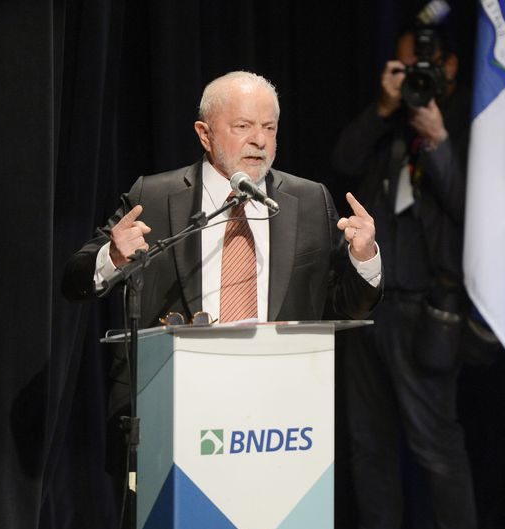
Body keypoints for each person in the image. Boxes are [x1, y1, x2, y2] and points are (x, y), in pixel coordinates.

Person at [62, 70, 384, 498]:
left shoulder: (309, 200)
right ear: (205, 134)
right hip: (175, 416)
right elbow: (75, 278)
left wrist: (364, 257)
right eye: (243, 126)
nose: (260, 140)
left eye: (269, 127)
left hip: (278, 425)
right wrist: (114, 256)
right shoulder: (154, 196)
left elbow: (344, 307)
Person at [331, 27, 476, 529]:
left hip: (427, 306)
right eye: (406, 68)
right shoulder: (389, 119)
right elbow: (344, 161)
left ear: (449, 67)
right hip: (368, 302)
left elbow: (470, 208)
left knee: (435, 446)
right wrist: (384, 108)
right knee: (367, 445)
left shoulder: (468, 118)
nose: (416, 78)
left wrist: (438, 140)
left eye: (423, 68)